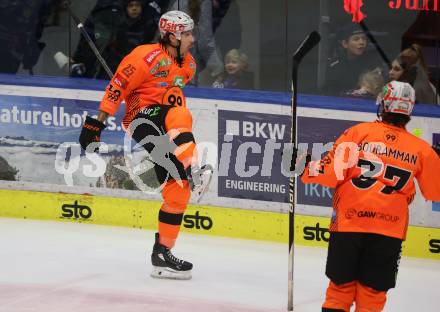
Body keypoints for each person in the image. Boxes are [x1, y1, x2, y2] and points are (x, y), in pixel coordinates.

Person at [79, 10, 211, 280]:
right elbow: (117, 87)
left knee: (179, 189)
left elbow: (171, 92)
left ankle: (162, 254)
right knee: (180, 112)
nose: (192, 39)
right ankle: (195, 165)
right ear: (172, 36)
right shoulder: (144, 57)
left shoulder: (189, 65)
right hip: (141, 119)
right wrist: (97, 124)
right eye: (186, 34)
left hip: (166, 126)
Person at [296, 80, 440, 311]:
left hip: (349, 225)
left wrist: (303, 168)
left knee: (339, 289)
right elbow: (436, 192)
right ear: (409, 110)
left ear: (382, 105)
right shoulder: (422, 150)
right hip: (388, 231)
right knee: (373, 294)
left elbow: (331, 174)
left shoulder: (358, 133)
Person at [323, 23, 384, 96]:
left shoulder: (373, 63)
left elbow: (378, 90)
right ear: (345, 44)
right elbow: (329, 92)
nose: (361, 42)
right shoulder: (335, 65)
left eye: (364, 39)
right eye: (356, 39)